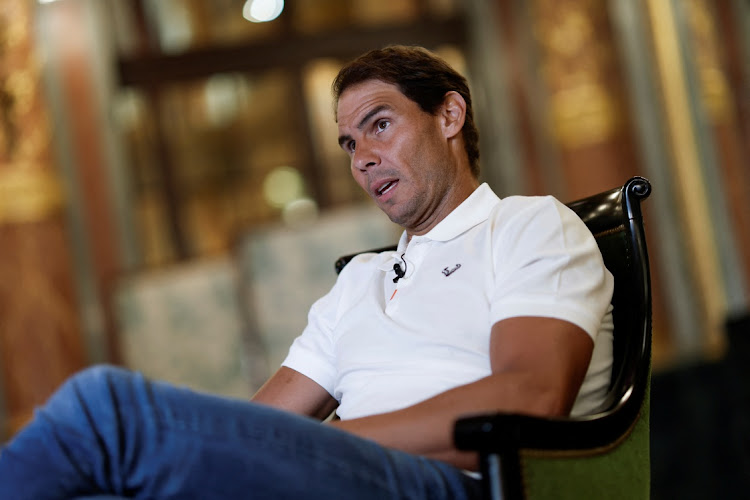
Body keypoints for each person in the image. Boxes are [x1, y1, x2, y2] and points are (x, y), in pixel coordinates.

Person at [0, 45, 613, 500]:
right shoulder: (359, 282)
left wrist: (338, 441)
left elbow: (529, 398)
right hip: (341, 479)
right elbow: (260, 429)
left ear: (449, 116)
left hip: (454, 485)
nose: (364, 157)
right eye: (348, 143)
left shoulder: (530, 226)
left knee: (103, 406)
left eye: (380, 123)